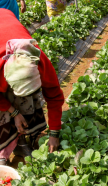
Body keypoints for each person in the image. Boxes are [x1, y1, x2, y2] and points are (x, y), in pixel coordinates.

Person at [0, 8, 64, 165]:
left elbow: (54, 96)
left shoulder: (39, 61)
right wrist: (13, 112)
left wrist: (54, 133)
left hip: (6, 19)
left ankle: (22, 140)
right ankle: (3, 151)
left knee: (27, 100)